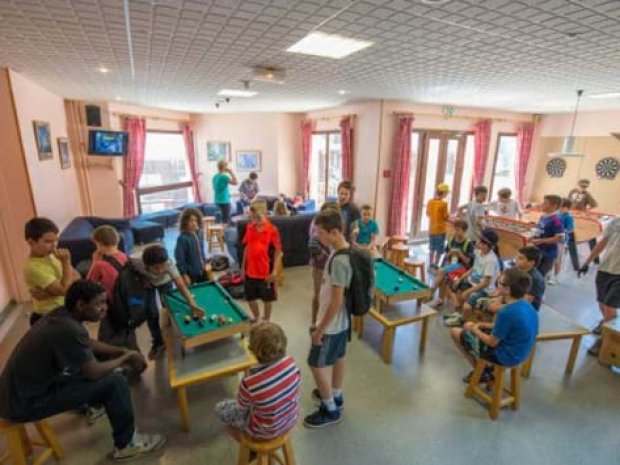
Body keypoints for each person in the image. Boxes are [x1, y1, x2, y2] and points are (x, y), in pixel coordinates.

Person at [0, 280, 165, 462]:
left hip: (14, 394)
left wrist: (122, 351)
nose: (105, 308)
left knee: (93, 370)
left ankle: (96, 405)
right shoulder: (68, 329)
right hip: (23, 404)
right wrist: (126, 358)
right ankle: (126, 445)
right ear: (80, 305)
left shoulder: (62, 316)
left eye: (105, 303)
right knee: (115, 382)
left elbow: (86, 343)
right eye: (99, 304)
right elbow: (93, 372)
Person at [304, 209, 352, 428]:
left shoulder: (340, 260)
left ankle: (330, 408)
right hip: (341, 323)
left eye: (321, 233)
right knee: (339, 356)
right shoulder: (340, 250)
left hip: (331, 324)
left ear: (334, 232)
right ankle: (337, 394)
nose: (318, 237)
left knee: (315, 363)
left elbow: (336, 301)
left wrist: (320, 329)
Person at [215, 322, 300, 442]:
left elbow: (241, 407)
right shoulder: (292, 364)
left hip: (262, 431)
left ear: (253, 350)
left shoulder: (250, 382)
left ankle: (251, 447)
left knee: (221, 408)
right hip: (290, 420)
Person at [450, 268, 538, 383]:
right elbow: (507, 328)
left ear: (507, 289)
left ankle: (482, 371)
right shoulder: (527, 305)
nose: (497, 282)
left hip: (505, 356)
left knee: (455, 332)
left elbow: (492, 342)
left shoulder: (506, 312)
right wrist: (483, 325)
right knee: (470, 327)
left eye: (500, 282)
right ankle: (484, 370)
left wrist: (474, 329)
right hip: (522, 353)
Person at [132, 245, 205, 359]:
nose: (160, 270)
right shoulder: (136, 262)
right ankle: (158, 343)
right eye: (156, 268)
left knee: (168, 305)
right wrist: (142, 279)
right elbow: (130, 272)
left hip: (165, 282)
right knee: (151, 312)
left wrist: (192, 303)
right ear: (146, 265)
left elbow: (180, 285)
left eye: (162, 267)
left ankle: (171, 327)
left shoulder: (169, 265)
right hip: (148, 284)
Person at [23, 217, 79, 326]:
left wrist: (47, 293)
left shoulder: (53, 256)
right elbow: (64, 290)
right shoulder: (33, 267)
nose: (54, 245)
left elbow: (77, 277)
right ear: (31, 242)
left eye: (56, 240)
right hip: (49, 316)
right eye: (48, 241)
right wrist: (66, 262)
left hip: (64, 310)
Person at [577, 216, 620, 356]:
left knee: (609, 306)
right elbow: (603, 242)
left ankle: (604, 340)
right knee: (602, 303)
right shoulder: (616, 221)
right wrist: (587, 262)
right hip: (605, 268)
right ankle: (607, 324)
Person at [444, 230, 502, 327]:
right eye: (480, 240)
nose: (478, 243)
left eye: (483, 242)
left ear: (491, 246)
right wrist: (460, 279)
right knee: (450, 283)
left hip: (484, 290)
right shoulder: (479, 252)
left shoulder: (491, 260)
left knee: (467, 306)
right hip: (472, 282)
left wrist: (469, 291)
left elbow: (485, 283)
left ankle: (461, 320)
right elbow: (473, 268)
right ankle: (458, 313)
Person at [241, 200, 283, 322]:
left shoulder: (272, 230)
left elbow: (278, 252)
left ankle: (267, 319)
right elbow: (247, 248)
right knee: (250, 297)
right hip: (250, 271)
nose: (254, 220)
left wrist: (275, 271)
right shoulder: (249, 227)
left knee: (267, 299)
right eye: (252, 217)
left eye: (257, 217)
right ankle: (256, 317)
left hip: (266, 272)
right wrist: (243, 268)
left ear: (264, 213)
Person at [428, 220, 475, 308]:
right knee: (442, 276)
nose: (456, 232)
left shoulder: (468, 244)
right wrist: (450, 254)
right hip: (451, 265)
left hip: (461, 267)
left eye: (458, 230)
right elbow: (447, 254)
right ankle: (440, 299)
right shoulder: (452, 240)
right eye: (455, 229)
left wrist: (459, 253)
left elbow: (468, 262)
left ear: (464, 231)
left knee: (441, 271)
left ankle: (430, 293)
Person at [309, 202, 340, 332]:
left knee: (331, 295)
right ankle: (315, 322)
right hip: (319, 267)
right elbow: (312, 243)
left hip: (332, 264)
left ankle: (327, 321)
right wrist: (322, 256)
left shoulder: (335, 230)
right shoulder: (317, 224)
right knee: (318, 294)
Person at [486, 247, 545, 313]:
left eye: (520, 258)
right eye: (516, 257)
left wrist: (497, 306)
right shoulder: (517, 268)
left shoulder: (535, 280)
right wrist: (499, 296)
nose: (516, 260)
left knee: (492, 308)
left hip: (523, 309)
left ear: (531, 262)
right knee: (487, 303)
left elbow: (524, 302)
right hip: (511, 298)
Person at [87, 225, 128, 299]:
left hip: (111, 301)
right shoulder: (125, 256)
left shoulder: (100, 265)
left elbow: (88, 285)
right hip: (126, 296)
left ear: (100, 244)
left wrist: (94, 261)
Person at [529, 195, 564, 279]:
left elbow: (560, 237)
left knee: (539, 275)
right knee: (532, 273)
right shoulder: (543, 216)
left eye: (545, 203)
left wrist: (541, 241)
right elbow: (540, 229)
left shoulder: (556, 220)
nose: (542, 204)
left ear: (554, 206)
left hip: (548, 253)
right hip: (539, 250)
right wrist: (533, 237)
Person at [174, 207, 207, 285]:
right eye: (191, 220)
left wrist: (205, 262)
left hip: (201, 269)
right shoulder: (182, 239)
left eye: (196, 220)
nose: (194, 223)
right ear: (185, 222)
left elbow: (201, 251)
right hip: (190, 273)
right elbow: (180, 260)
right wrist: (184, 275)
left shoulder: (199, 233)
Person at [426, 183, 450, 270]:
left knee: (432, 248)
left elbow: (428, 214)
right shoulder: (444, 204)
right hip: (440, 230)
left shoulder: (430, 202)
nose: (446, 195)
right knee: (439, 249)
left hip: (431, 229)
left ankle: (431, 264)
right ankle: (436, 265)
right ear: (443, 193)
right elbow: (445, 217)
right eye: (446, 193)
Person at [554, 198, 579, 280]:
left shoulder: (568, 217)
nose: (561, 209)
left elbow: (570, 229)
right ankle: (550, 274)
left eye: (563, 207)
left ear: (568, 208)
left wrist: (561, 230)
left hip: (561, 240)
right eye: (560, 207)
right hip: (552, 239)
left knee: (558, 259)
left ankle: (555, 277)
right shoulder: (556, 214)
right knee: (552, 258)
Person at [212, 160, 238, 226]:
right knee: (225, 219)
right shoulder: (224, 177)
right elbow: (236, 182)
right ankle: (222, 235)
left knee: (224, 217)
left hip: (217, 200)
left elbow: (215, 188)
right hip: (224, 200)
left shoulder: (215, 176)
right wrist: (231, 172)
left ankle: (222, 233)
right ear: (225, 167)